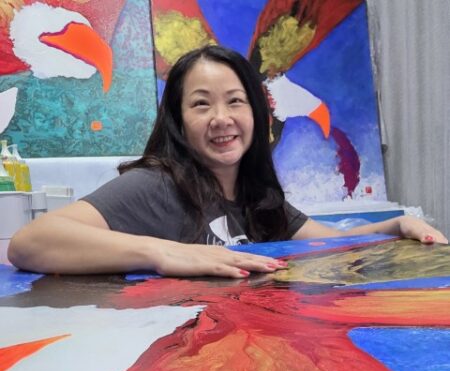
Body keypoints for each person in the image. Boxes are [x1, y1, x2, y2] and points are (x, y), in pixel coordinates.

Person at [8, 45, 447, 278]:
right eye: (201, 104)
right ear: (179, 120)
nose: (222, 119)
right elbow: (29, 243)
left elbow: (330, 243)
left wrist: (394, 226)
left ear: (256, 112)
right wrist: (163, 253)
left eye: (235, 101)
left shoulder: (259, 197)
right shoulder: (157, 184)